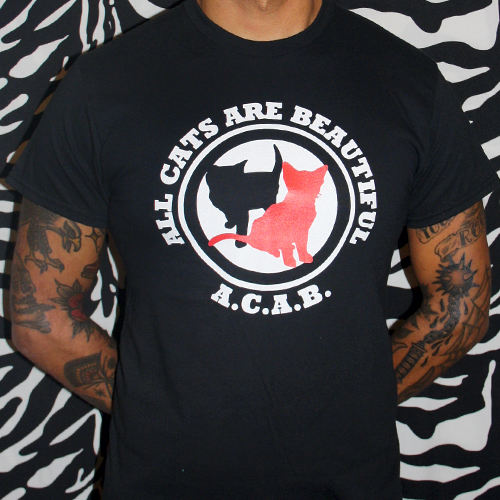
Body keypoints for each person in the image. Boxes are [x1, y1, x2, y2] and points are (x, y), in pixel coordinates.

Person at [7, 0, 500, 498]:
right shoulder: (105, 83)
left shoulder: (406, 80)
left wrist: (357, 405)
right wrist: (153, 412)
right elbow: (39, 313)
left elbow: (462, 303)